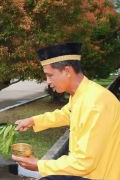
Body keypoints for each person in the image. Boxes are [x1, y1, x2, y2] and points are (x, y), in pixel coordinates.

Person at [12, 43, 120, 180]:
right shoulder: (81, 93)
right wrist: (33, 121)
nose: (48, 82)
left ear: (67, 71)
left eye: (50, 75)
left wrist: (40, 165)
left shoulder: (96, 103)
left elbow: (84, 162)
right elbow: (66, 114)